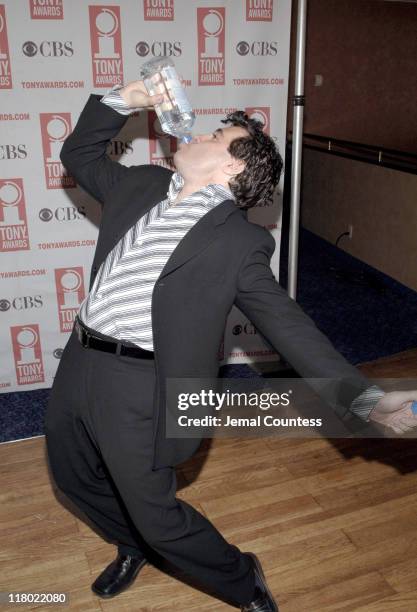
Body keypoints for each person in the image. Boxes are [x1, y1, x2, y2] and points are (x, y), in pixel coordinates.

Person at [44, 80, 417, 611]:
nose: (200, 132)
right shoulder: (143, 184)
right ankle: (131, 545)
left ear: (234, 168)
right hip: (80, 358)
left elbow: (290, 326)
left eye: (218, 134)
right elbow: (78, 153)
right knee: (73, 478)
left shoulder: (240, 242)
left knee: (159, 519)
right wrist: (125, 100)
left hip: (141, 385)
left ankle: (243, 579)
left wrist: (363, 399)